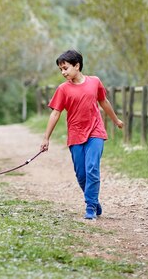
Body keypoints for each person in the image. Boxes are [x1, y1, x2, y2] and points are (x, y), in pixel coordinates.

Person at [40, 49, 123, 219]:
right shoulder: (63, 89)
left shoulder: (95, 82)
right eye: (60, 70)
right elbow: (55, 113)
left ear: (77, 66)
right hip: (76, 134)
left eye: (65, 68)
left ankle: (90, 207)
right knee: (81, 175)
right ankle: (94, 200)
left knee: (92, 168)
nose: (63, 72)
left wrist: (115, 120)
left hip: (95, 131)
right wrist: (46, 138)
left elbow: (104, 102)